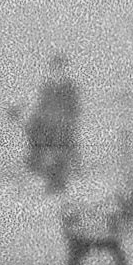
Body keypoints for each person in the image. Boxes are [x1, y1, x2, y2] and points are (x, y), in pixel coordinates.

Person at [26, 55, 82, 192]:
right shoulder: (47, 88)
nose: (58, 72)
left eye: (61, 68)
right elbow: (40, 107)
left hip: (64, 126)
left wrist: (67, 120)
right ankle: (48, 178)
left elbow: (74, 108)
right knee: (44, 147)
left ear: (65, 70)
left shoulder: (69, 88)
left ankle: (60, 180)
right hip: (47, 125)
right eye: (56, 68)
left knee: (61, 150)